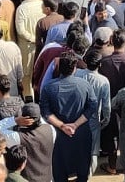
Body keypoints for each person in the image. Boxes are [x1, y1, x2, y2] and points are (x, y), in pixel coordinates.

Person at [40, 52, 98, 182]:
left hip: (58, 134)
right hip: (81, 132)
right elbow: (92, 106)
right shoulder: (85, 85)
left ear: (59, 68)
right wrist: (76, 124)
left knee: (59, 170)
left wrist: (62, 125)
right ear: (74, 68)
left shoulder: (49, 87)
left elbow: (45, 111)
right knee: (83, 169)